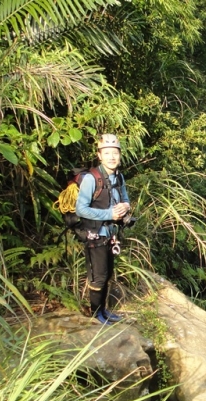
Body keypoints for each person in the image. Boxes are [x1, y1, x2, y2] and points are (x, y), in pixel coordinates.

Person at [75, 133, 131, 325]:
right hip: (95, 234)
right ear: (99, 155)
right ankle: (95, 314)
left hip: (110, 234)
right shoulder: (92, 179)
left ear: (120, 155)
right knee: (98, 277)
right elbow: (80, 209)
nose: (111, 157)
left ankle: (103, 311)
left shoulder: (119, 177)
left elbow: (125, 199)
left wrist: (126, 207)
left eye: (115, 152)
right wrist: (109, 215)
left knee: (107, 274)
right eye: (107, 153)